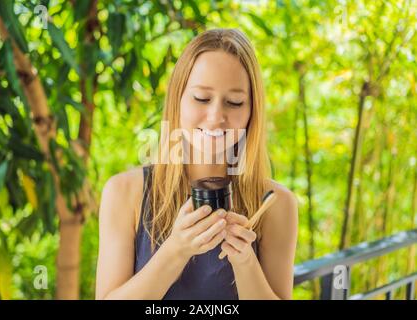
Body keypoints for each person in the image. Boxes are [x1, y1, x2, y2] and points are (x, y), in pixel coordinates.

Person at [95, 28, 298, 300]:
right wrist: (175, 251)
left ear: (252, 112)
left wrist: (245, 262)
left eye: (235, 102)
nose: (216, 117)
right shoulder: (124, 192)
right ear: (177, 100)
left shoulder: (275, 203)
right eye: (201, 98)